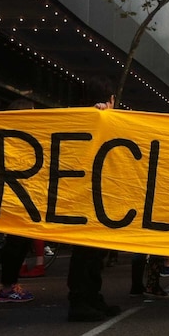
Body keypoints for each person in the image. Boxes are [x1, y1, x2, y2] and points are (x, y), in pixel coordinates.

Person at [67, 77, 123, 322]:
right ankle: (79, 300)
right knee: (84, 253)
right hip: (84, 199)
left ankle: (92, 297)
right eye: (112, 100)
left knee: (95, 254)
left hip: (100, 199)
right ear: (107, 100)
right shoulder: (83, 120)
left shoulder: (106, 122)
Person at [0, 99, 38, 304]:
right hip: (13, 200)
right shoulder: (6, 136)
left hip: (27, 201)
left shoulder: (32, 138)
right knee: (15, 243)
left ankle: (11, 284)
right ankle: (7, 286)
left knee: (22, 243)